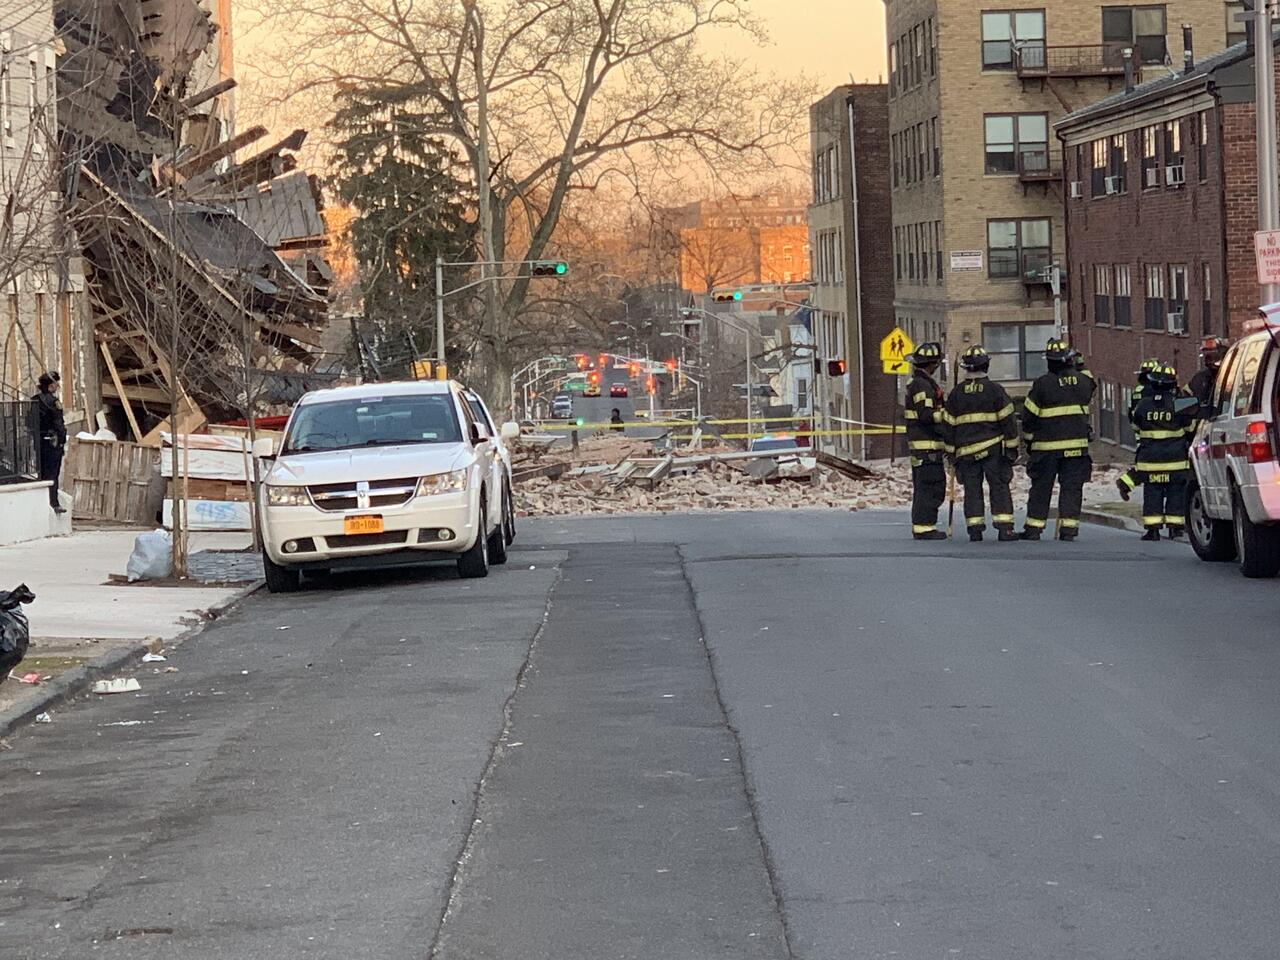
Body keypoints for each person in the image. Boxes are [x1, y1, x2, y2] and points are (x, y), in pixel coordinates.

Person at [1019, 340, 1096, 541]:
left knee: (1041, 488)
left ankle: (1034, 529)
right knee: (1072, 488)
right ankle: (1069, 530)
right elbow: (1091, 383)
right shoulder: (1083, 382)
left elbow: (1028, 417)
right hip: (1076, 448)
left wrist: (1029, 441)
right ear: (1069, 360)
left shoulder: (1042, 384)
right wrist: (1080, 363)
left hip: (1046, 449)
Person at [944, 345, 1020, 542]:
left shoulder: (956, 394)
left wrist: (951, 454)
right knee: (999, 487)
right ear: (986, 365)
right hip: (993, 450)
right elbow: (1008, 422)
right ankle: (1005, 529)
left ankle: (975, 530)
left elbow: (948, 426)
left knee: (972, 490)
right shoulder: (995, 391)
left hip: (966, 453)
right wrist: (1012, 448)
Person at [1130, 364, 1195, 541]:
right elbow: (1190, 427)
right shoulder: (1180, 404)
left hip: (1150, 460)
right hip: (1175, 459)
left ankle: (1153, 530)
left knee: (1152, 493)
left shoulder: (1143, 405)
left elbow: (1135, 426)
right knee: (1176, 492)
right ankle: (1175, 528)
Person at [903, 341, 948, 540]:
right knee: (930, 487)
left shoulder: (921, 383)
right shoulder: (922, 386)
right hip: (926, 447)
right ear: (933, 364)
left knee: (926, 486)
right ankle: (924, 527)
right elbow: (926, 415)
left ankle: (924, 525)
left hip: (926, 447)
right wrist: (947, 415)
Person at [1115, 358, 1162, 502]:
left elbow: (1132, 416)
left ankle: (1126, 483)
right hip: (1158, 435)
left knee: (1147, 465)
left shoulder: (1138, 391)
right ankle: (1126, 483)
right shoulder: (1158, 390)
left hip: (1142, 435)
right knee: (1152, 467)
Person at [30, 372, 67, 513]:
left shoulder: (34, 400)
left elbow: (29, 422)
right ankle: (54, 502)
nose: (57, 386)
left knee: (42, 473)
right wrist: (62, 440)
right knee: (53, 474)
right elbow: (59, 424)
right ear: (51, 386)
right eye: (56, 383)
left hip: (38, 441)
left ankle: (43, 503)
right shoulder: (53, 402)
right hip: (53, 442)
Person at [1187, 336, 1228, 408]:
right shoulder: (1198, 379)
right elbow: (1185, 401)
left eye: (1214, 356)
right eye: (1208, 356)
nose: (1210, 360)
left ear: (1225, 356)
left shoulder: (1231, 377)